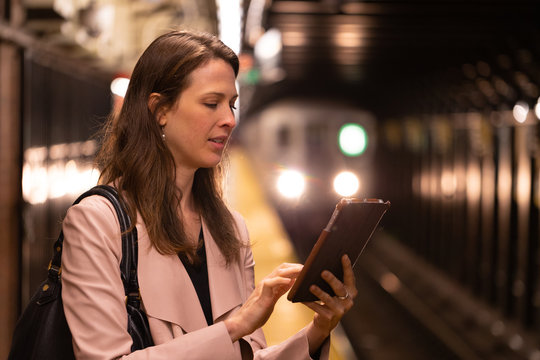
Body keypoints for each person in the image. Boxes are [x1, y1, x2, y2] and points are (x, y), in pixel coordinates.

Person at [61, 29, 358, 359]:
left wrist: (317, 331)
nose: (229, 120)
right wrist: (233, 327)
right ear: (160, 110)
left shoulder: (229, 228)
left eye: (231, 104)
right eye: (211, 103)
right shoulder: (97, 223)